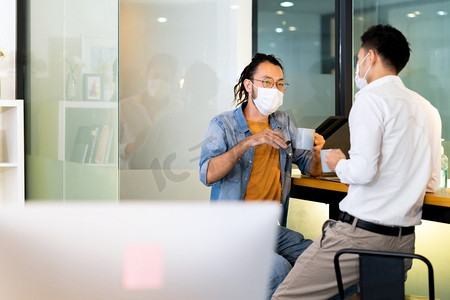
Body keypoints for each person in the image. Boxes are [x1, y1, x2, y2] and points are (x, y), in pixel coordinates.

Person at [272, 24, 442, 299]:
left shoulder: (370, 99)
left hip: (359, 237)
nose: (357, 65)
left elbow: (362, 172)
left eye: (358, 56)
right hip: (403, 241)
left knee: (285, 297)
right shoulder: (428, 109)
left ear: (370, 57)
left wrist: (338, 161)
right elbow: (432, 182)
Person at [199, 53, 325, 298]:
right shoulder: (222, 124)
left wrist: (318, 153)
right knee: (279, 270)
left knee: (326, 264)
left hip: (269, 229)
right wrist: (248, 142)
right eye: (267, 82)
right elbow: (207, 174)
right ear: (249, 85)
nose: (274, 89)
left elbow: (310, 167)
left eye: (279, 83)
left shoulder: (284, 122)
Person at [119, 53, 182, 169]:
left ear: (172, 81)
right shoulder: (124, 106)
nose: (160, 81)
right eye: (156, 75)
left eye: (166, 78)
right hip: (128, 178)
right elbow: (109, 150)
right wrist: (131, 148)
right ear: (147, 74)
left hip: (165, 179)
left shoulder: (178, 110)